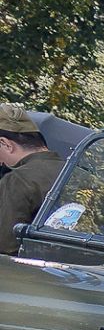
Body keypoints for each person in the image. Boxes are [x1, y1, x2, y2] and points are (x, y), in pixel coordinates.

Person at [0, 106, 63, 256]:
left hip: (32, 276)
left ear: (6, 144)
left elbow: (6, 247)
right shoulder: (84, 176)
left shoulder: (17, 180)